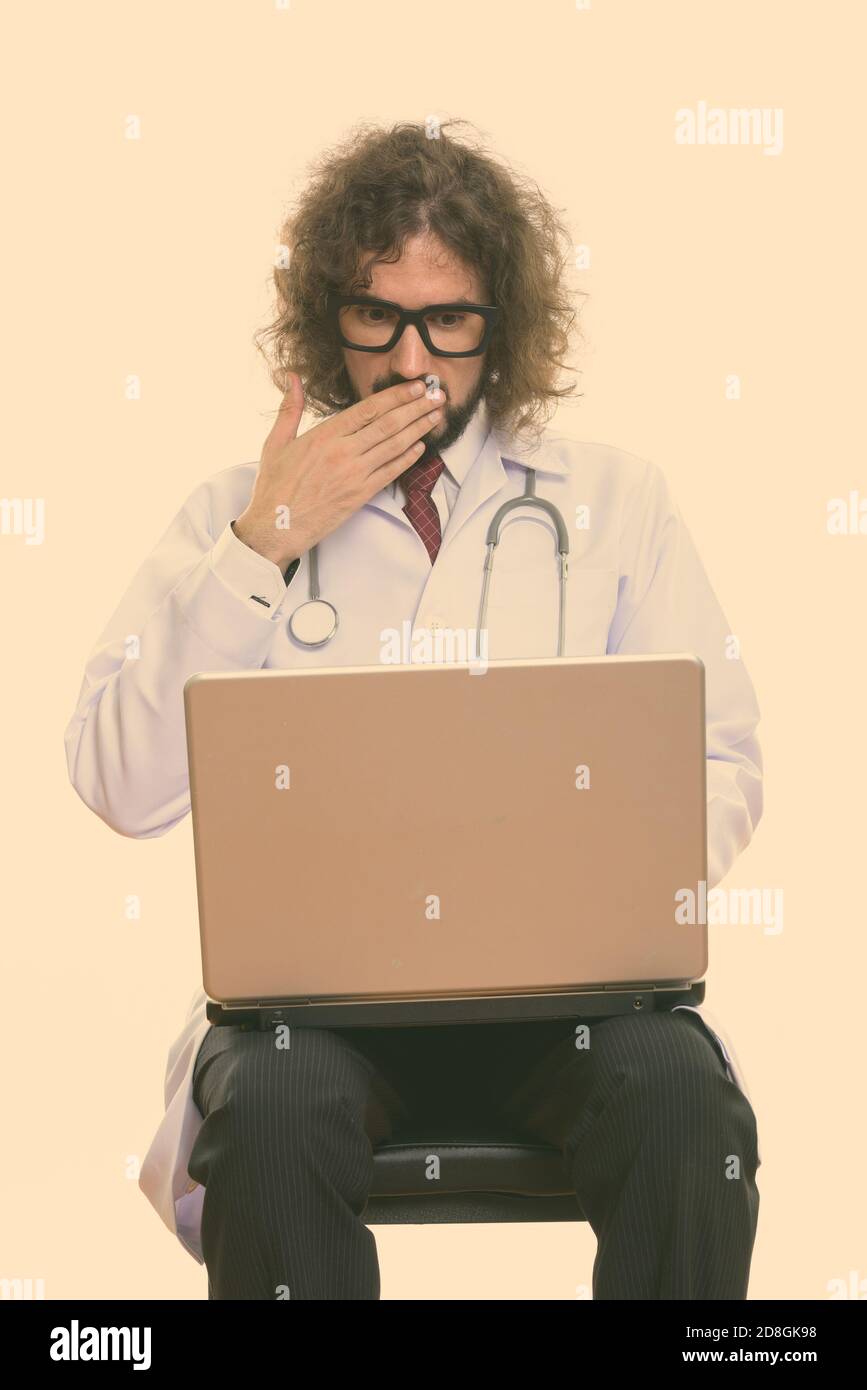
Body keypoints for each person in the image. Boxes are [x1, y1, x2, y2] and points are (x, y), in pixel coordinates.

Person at [64, 119, 763, 1300]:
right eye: (375, 317)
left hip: (572, 1003)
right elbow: (116, 783)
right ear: (322, 317)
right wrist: (266, 543)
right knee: (277, 1098)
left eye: (450, 321)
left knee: (684, 1094)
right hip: (318, 1020)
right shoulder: (232, 512)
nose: (410, 360)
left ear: (505, 325)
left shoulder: (613, 499)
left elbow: (723, 757)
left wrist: (609, 881)